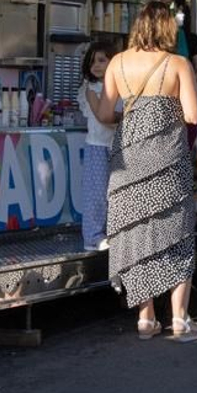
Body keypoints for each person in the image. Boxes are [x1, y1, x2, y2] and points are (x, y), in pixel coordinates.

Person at [90, 2, 197, 340]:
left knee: (136, 234)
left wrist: (132, 116)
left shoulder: (117, 63)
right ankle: (180, 319)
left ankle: (146, 318)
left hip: (127, 159)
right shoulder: (178, 63)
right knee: (176, 234)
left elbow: (105, 114)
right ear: (167, 28)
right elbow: (193, 116)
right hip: (167, 158)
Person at [77, 43, 119, 250]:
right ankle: (93, 236)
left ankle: (112, 232)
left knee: (114, 192)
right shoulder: (91, 88)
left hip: (116, 145)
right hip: (98, 146)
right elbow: (103, 117)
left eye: (102, 60)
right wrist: (126, 117)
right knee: (97, 193)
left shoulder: (119, 88)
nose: (96, 65)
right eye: (93, 61)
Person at [162, 0, 197, 155]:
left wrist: (184, 83)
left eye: (169, 6)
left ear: (180, 9)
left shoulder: (190, 38)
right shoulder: (155, 39)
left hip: (185, 103)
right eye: (161, 6)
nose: (165, 11)